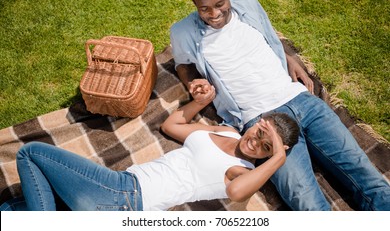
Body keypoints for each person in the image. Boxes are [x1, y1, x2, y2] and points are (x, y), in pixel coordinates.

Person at [170, 0, 390, 211]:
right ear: (194, 4)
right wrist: (193, 84)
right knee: (306, 201)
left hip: (302, 101)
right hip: (262, 122)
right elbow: (183, 65)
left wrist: (288, 58)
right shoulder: (183, 31)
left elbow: (266, 35)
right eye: (204, 8)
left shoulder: (247, 1)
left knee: (366, 175)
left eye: (220, 3)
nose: (214, 13)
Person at [0, 86, 299, 211]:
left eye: (265, 147)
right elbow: (172, 127)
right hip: (117, 194)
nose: (255, 143)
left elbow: (237, 193)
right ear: (258, 121)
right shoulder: (226, 130)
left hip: (125, 197)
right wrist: (201, 102)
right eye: (260, 132)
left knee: (30, 153)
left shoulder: (243, 171)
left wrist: (278, 157)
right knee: (12, 210)